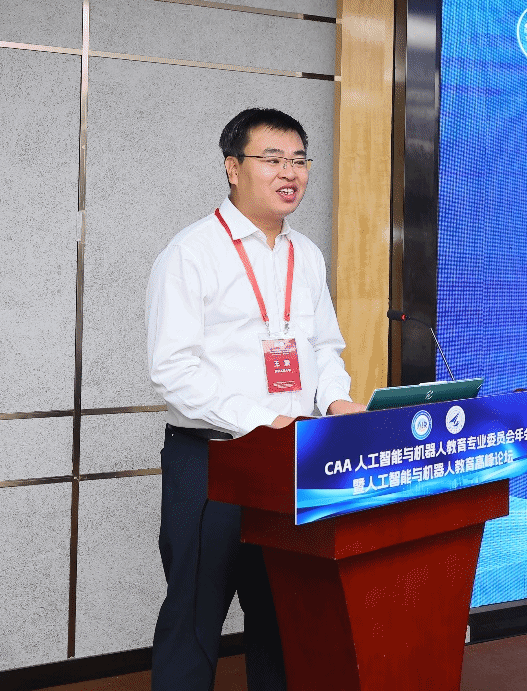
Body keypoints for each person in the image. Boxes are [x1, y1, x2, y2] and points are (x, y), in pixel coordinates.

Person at [147, 108, 366, 691]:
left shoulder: (306, 254)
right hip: (214, 459)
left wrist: (336, 399)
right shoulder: (192, 252)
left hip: (291, 459)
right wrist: (262, 420)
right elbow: (172, 369)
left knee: (281, 618)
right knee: (195, 618)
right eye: (272, 159)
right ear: (232, 168)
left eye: (298, 160)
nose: (289, 172)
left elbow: (324, 346)